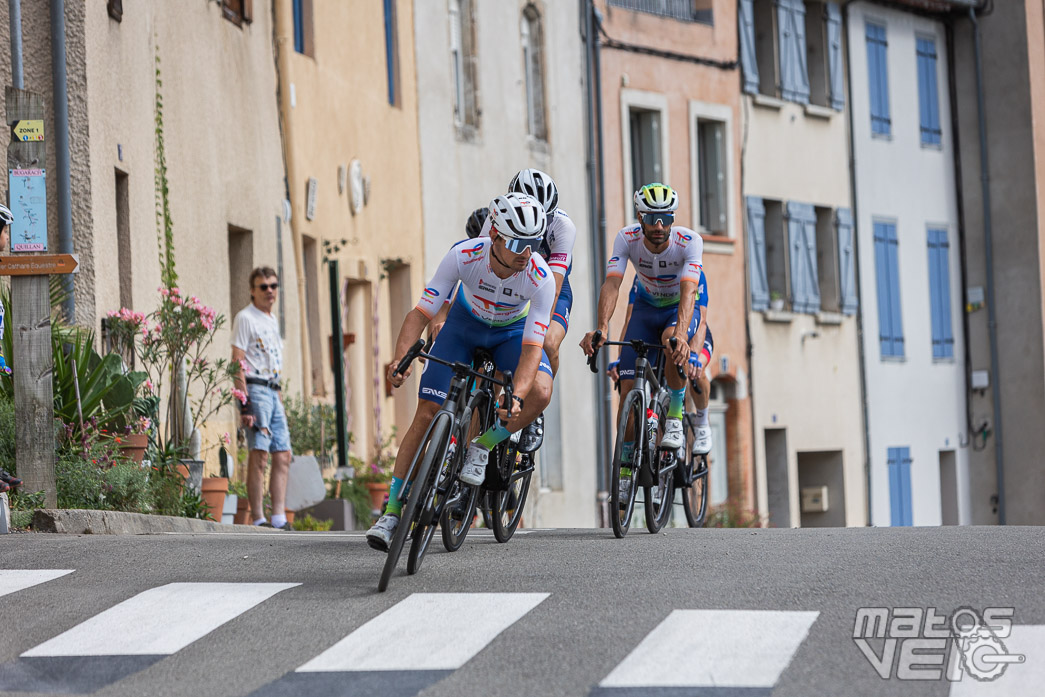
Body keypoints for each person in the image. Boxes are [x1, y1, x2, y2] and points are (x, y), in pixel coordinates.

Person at [367, 192, 555, 551]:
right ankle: (391, 513)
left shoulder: (539, 276)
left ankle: (483, 445)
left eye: (532, 244)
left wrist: (516, 395)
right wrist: (400, 359)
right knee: (425, 414)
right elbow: (421, 313)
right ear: (495, 236)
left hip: (511, 336)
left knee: (541, 393)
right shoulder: (464, 255)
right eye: (517, 243)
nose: (525, 254)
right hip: (463, 327)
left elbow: (533, 348)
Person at [581, 183, 703, 490]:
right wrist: (602, 327)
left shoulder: (690, 241)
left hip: (676, 307)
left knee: (671, 342)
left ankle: (674, 416)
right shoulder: (626, 238)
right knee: (627, 400)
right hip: (646, 309)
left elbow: (689, 291)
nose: (659, 226)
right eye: (651, 218)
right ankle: (624, 473)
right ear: (640, 217)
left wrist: (681, 332)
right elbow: (612, 284)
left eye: (666, 217)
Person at [476, 169, 577, 450]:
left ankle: (533, 409)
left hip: (547, 286)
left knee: (546, 341)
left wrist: (535, 325)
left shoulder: (563, 227)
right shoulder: (499, 216)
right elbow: (481, 258)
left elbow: (554, 286)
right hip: (510, 283)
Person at [610, 274, 713, 455]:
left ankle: (702, 422)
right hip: (656, 330)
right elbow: (629, 320)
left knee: (696, 369)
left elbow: (702, 321)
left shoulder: (693, 272)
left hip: (691, 329)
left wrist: (695, 354)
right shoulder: (643, 275)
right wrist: (621, 359)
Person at [232, 267, 292, 530]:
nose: (270, 290)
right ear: (252, 290)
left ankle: (278, 518)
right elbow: (237, 361)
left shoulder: (271, 320)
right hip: (255, 390)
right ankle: (258, 518)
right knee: (260, 455)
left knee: (283, 454)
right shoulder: (245, 318)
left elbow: (273, 363)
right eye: (263, 286)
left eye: (273, 286)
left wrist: (280, 399)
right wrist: (243, 403)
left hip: (273, 390)